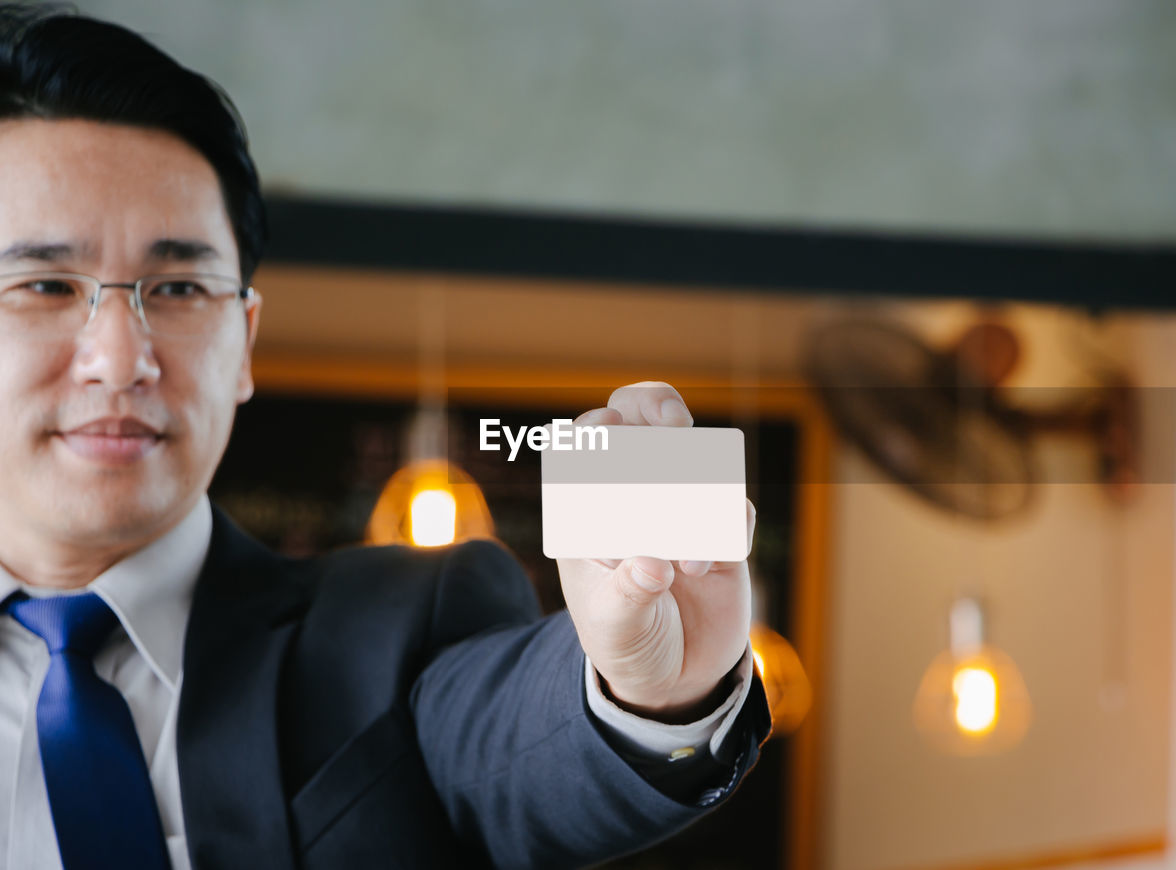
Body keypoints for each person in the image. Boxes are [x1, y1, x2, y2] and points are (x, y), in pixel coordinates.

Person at [0, 5, 770, 870]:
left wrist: (651, 691)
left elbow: (512, 743)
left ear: (244, 344)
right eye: (45, 285)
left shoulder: (394, 632)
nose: (119, 357)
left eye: (178, 288)